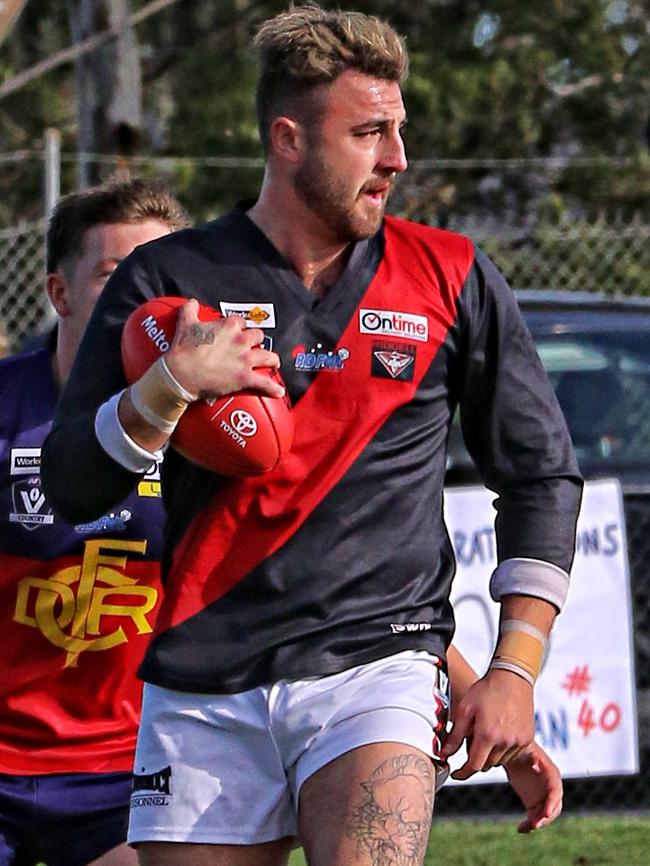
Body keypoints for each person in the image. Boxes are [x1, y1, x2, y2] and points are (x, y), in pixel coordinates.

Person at [42, 5, 582, 865]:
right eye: (370, 133)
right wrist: (168, 387)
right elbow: (71, 485)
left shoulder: (451, 275)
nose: (397, 159)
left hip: (380, 665)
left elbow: (543, 475)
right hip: (202, 679)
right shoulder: (169, 280)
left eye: (398, 131)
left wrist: (513, 670)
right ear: (289, 140)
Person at [0, 178, 189, 866]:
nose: (145, 300)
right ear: (60, 293)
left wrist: (480, 681)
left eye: (162, 277)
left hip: (127, 772)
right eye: (117, 276)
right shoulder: (7, 409)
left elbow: (330, 571)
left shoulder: (213, 432)